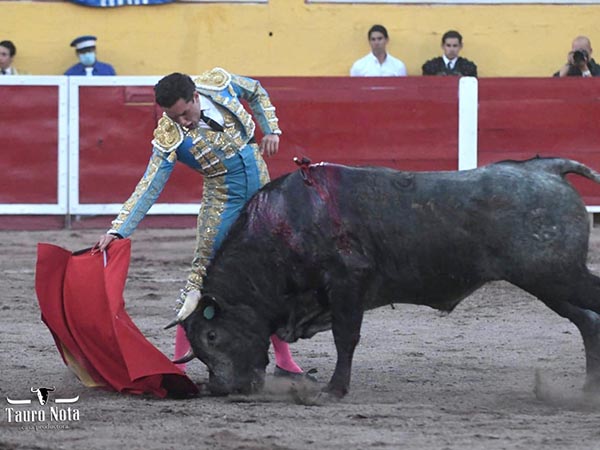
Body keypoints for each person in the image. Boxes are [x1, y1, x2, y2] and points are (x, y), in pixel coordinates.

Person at [93, 68, 308, 379]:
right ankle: (178, 365)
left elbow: (256, 90)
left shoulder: (219, 84)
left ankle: (285, 363)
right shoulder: (169, 136)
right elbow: (149, 185)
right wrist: (118, 229)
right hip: (222, 204)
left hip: (262, 196)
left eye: (184, 113)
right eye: (173, 117)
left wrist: (271, 129)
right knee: (201, 280)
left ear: (195, 96)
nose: (182, 122)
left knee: (271, 277)